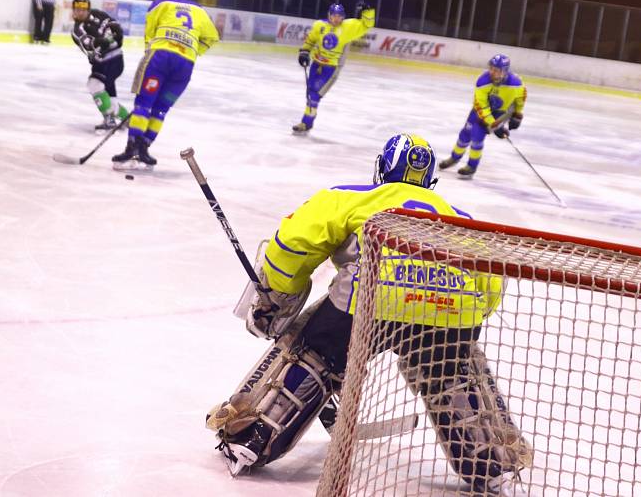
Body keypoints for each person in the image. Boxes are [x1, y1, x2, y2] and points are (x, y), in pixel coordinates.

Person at [205, 134, 532, 492]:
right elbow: (491, 283)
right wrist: (457, 316)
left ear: (382, 168)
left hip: (370, 300)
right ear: (429, 180)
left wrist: (278, 296)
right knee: (450, 373)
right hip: (451, 308)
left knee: (314, 356)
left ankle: (251, 440)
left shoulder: (352, 196)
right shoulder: (458, 217)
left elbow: (292, 245)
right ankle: (489, 462)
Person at [112, 0, 219, 167]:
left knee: (143, 104)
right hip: (185, 65)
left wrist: (150, 52)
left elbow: (149, 34)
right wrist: (194, 51)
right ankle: (144, 147)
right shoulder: (200, 11)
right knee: (161, 109)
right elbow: (212, 37)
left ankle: (132, 147)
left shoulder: (160, 4)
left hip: (160, 57)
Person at [292, 0, 375, 134]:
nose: (336, 19)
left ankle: (306, 123)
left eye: (339, 16)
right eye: (334, 15)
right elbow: (311, 40)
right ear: (329, 15)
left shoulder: (348, 28)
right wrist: (304, 52)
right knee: (310, 94)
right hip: (315, 65)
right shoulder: (319, 26)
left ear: (343, 17)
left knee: (314, 95)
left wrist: (367, 11)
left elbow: (367, 25)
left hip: (331, 69)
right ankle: (306, 123)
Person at [439, 54, 527, 179]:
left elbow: (520, 99)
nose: (492, 72)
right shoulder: (483, 81)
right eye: (491, 68)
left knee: (477, 136)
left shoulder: (516, 84)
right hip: (478, 112)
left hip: (498, 114)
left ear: (505, 71)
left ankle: (471, 166)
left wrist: (517, 116)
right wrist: (495, 126)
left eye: (496, 70)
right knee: (464, 134)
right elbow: (482, 107)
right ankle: (454, 158)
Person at [70, 0, 130, 132]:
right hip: (101, 64)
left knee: (94, 84)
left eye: (83, 9)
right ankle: (126, 118)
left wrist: (117, 33)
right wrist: (101, 41)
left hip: (114, 60)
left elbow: (113, 26)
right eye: (78, 9)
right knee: (109, 99)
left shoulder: (98, 14)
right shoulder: (77, 30)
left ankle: (109, 119)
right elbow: (91, 46)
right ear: (74, 10)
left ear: (88, 9)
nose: (80, 12)